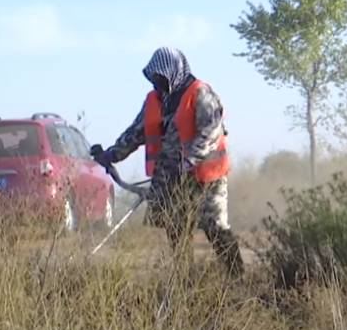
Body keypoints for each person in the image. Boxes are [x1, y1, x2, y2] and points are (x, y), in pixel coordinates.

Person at [95, 47, 244, 275]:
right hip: (170, 178)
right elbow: (136, 132)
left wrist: (191, 160)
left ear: (174, 72)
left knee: (215, 227)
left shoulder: (200, 93)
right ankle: (184, 282)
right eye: (153, 77)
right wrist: (112, 154)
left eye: (161, 77)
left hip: (206, 177)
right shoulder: (154, 100)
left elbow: (211, 131)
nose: (157, 82)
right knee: (176, 230)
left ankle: (236, 277)